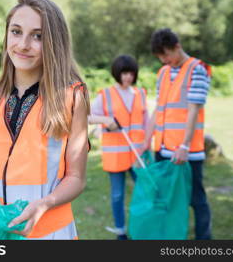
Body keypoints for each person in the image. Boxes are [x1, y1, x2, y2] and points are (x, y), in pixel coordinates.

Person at [0, 0, 90, 240]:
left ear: (55, 43)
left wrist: (44, 204)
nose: (23, 44)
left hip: (50, 235)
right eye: (16, 31)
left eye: (38, 36)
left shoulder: (72, 97)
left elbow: (76, 178)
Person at [142, 28, 212, 240]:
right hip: (162, 150)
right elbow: (159, 109)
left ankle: (204, 238)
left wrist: (184, 146)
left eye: (167, 55)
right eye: (160, 57)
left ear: (177, 47)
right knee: (164, 197)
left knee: (196, 199)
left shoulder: (198, 69)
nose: (165, 60)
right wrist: (146, 140)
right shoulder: (163, 72)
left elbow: (193, 110)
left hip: (186, 152)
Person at [88, 55, 148, 240]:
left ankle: (143, 227)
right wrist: (105, 121)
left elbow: (146, 122)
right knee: (117, 196)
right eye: (124, 73)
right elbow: (87, 116)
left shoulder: (140, 94)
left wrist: (146, 144)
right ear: (117, 73)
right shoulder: (105, 95)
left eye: (131, 73)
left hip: (137, 153)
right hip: (115, 155)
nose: (127, 77)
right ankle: (121, 231)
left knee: (144, 193)